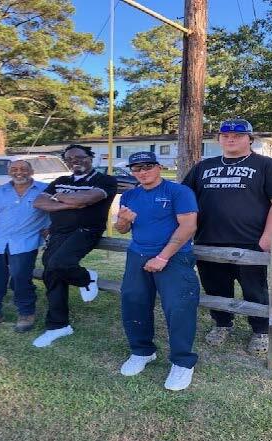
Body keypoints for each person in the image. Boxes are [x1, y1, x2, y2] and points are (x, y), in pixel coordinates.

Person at [182, 118, 272, 354]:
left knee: (254, 289)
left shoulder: (267, 165)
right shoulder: (203, 167)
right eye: (225, 135)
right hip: (208, 240)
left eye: (237, 135)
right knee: (215, 287)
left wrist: (268, 237)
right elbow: (184, 198)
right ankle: (222, 324)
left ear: (249, 139)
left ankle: (260, 330)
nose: (231, 139)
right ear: (218, 139)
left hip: (250, 242)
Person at [115, 151, 200, 391]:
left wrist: (162, 256)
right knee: (133, 302)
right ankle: (142, 351)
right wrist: (123, 221)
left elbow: (188, 226)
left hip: (173, 258)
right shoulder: (130, 195)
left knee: (178, 307)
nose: (142, 172)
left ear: (158, 167)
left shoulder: (178, 192)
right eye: (136, 168)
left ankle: (182, 362)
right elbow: (121, 229)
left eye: (147, 166)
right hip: (137, 255)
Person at [32, 144, 117, 348]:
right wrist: (71, 202)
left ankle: (87, 277)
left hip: (85, 230)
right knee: (51, 272)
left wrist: (59, 197)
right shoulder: (61, 181)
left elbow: (88, 198)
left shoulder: (104, 180)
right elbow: (38, 202)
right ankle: (58, 325)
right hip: (58, 232)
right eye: (70, 159)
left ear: (91, 157)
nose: (75, 161)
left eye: (80, 157)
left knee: (60, 263)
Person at [0, 160, 50, 334]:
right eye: (14, 169)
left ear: (32, 171)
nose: (19, 172)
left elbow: (56, 212)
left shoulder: (45, 190)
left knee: (21, 279)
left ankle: (26, 313)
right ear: (9, 172)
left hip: (26, 242)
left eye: (24, 169)